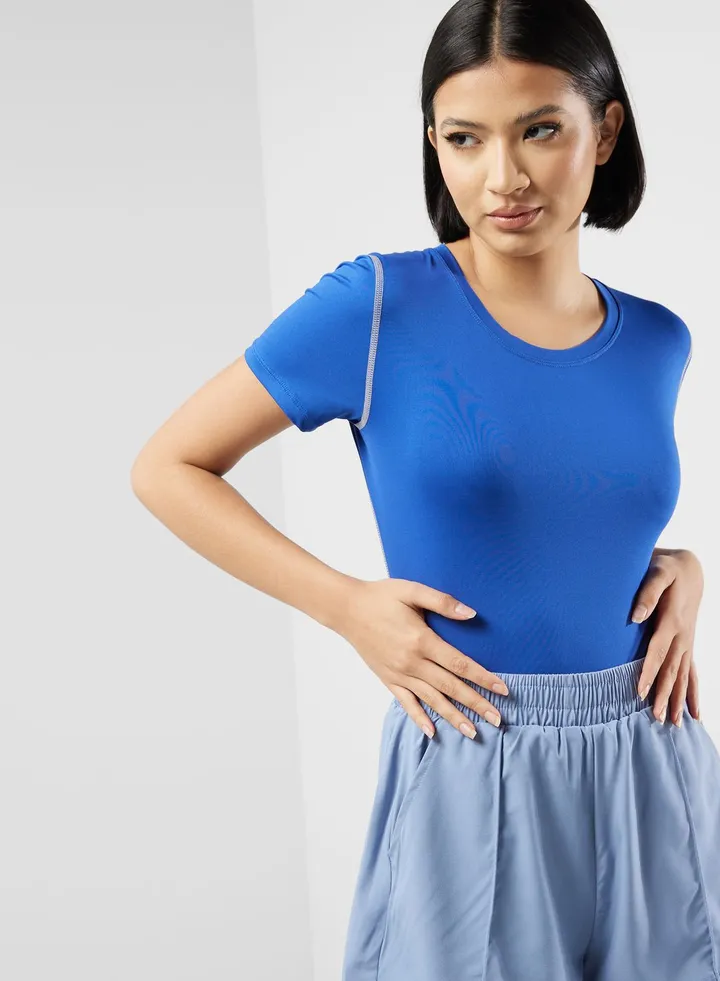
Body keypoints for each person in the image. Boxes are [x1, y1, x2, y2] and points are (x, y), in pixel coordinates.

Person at [130, 0, 719, 978]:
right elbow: (168, 467)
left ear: (606, 129)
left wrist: (686, 567)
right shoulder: (376, 308)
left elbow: (578, 506)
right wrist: (347, 607)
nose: (504, 176)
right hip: (474, 750)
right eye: (464, 138)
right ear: (433, 144)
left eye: (541, 129)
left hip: (654, 756)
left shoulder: (659, 340)